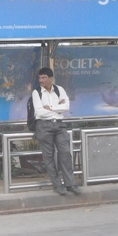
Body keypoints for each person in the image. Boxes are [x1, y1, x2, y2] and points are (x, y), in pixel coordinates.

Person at [32, 67, 81, 195]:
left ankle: (70, 184)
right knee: (48, 157)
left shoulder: (60, 90)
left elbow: (66, 107)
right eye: (40, 78)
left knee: (65, 153)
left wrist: (51, 107)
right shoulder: (36, 92)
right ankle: (57, 185)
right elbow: (40, 112)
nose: (41, 80)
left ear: (51, 79)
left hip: (59, 126)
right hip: (43, 126)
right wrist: (57, 109)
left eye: (44, 78)